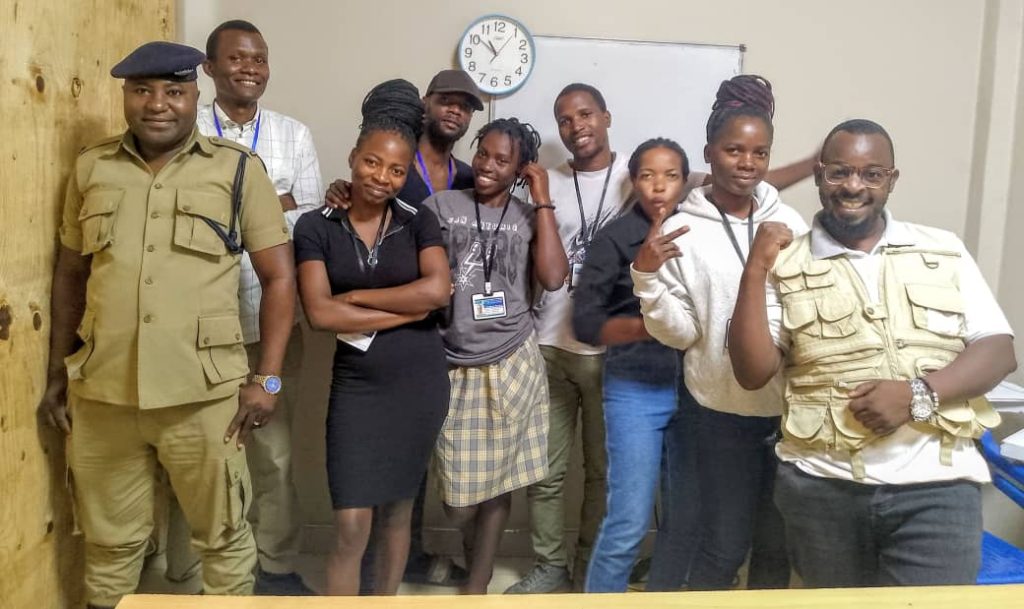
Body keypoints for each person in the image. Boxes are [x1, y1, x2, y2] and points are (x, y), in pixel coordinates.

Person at [36, 41, 295, 609]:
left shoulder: (237, 170)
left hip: (204, 399)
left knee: (224, 542)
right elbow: (70, 276)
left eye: (174, 91)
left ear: (194, 95)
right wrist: (58, 372)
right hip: (105, 396)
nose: (157, 104)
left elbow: (280, 278)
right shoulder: (92, 167)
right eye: (142, 91)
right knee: (108, 546)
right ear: (125, 96)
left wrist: (268, 379)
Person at [728, 118, 1016, 587]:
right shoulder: (784, 261)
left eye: (872, 174)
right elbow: (752, 371)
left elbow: (998, 349)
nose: (853, 186)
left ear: (891, 179)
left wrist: (917, 394)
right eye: (839, 172)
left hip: (937, 491)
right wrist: (754, 270)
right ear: (819, 175)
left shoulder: (943, 249)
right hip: (821, 489)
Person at [153, 19, 322, 596]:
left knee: (274, 455)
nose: (250, 68)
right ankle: (191, 570)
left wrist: (232, 210)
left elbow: (309, 221)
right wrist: (270, 204)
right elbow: (173, 211)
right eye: (237, 58)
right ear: (209, 67)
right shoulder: (185, 125)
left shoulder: (293, 135)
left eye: (259, 58)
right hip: (196, 329)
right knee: (197, 454)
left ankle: (275, 565)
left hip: (272, 328)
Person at [632, 75, 806, 591]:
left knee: (776, 546)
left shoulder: (790, 221)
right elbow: (681, 333)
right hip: (718, 412)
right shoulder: (679, 230)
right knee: (724, 545)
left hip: (790, 412)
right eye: (734, 150)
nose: (747, 162)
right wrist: (646, 279)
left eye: (760, 152)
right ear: (710, 153)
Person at [325, 69, 483, 589]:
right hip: (373, 352)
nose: (455, 111)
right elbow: (357, 213)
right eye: (446, 100)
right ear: (425, 104)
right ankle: (378, 572)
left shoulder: (468, 175)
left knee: (410, 482)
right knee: (365, 497)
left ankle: (403, 566)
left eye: (466, 105)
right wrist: (339, 191)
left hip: (446, 337)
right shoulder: (386, 168)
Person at [293, 79, 452, 595]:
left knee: (399, 514)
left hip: (418, 384)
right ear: (353, 158)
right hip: (358, 389)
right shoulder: (315, 227)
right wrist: (408, 311)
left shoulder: (418, 221)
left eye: (396, 170)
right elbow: (320, 313)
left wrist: (359, 299)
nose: (382, 177)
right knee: (350, 526)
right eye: (372, 163)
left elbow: (438, 290)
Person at [424, 118, 569, 594]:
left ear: (520, 168)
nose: (487, 165)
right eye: (483, 153)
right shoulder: (442, 205)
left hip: (511, 357)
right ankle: (476, 566)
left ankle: (478, 584)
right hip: (451, 359)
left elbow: (553, 277)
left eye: (502, 159)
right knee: (459, 500)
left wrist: (542, 198)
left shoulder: (529, 215)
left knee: (499, 480)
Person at [571, 138, 703, 593]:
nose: (659, 186)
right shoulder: (614, 237)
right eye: (647, 176)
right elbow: (585, 324)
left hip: (697, 388)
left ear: (685, 182)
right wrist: (657, 327)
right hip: (634, 386)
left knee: (684, 520)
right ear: (633, 181)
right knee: (627, 522)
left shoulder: (699, 231)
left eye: (670, 176)